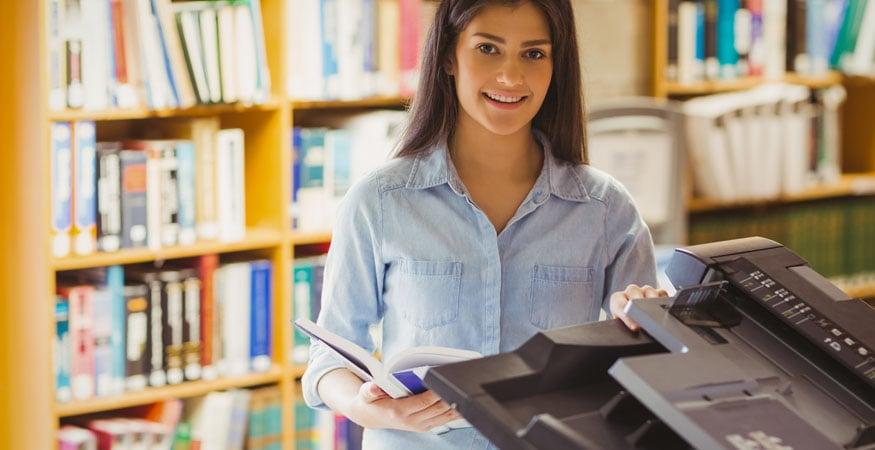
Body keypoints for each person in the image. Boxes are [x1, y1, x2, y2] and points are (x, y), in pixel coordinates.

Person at [300, 1, 668, 448]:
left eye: (533, 54)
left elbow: (647, 370)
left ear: (557, 65)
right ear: (449, 58)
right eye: (488, 49)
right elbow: (327, 358)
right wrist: (370, 408)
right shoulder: (379, 201)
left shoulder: (606, 209)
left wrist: (651, 319)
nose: (511, 78)